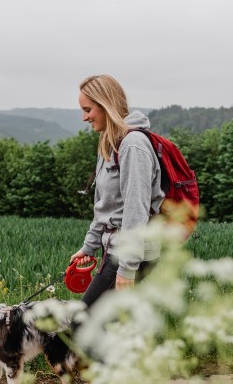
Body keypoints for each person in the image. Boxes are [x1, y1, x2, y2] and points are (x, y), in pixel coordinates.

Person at [69, 74, 165, 306]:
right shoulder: (109, 142)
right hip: (114, 247)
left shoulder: (133, 146)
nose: (84, 117)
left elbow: (136, 210)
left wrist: (127, 268)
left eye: (88, 109)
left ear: (106, 105)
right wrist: (89, 247)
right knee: (104, 328)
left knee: (84, 326)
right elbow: (104, 207)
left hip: (130, 254)